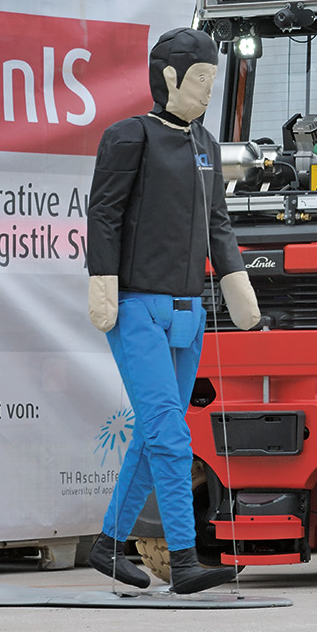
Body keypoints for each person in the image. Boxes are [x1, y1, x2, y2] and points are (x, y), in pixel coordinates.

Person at [83, 29, 262, 593]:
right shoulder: (128, 137)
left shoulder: (206, 146)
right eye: (201, 79)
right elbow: (104, 213)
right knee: (168, 433)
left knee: (152, 432)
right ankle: (184, 559)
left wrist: (235, 281)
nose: (209, 91)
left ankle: (108, 546)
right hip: (136, 306)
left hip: (188, 311)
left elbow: (219, 223)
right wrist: (102, 282)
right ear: (169, 78)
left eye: (213, 80)